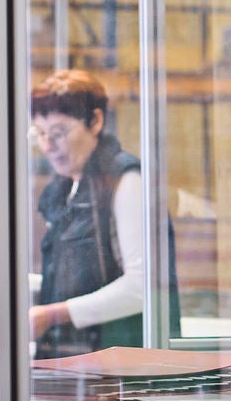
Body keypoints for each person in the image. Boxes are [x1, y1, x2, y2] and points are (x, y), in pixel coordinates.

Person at [27, 70, 169, 357]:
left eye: (58, 133)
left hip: (118, 367)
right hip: (76, 363)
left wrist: (50, 315)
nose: (47, 146)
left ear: (95, 121)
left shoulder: (125, 180)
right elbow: (78, 278)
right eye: (40, 134)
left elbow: (143, 288)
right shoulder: (66, 188)